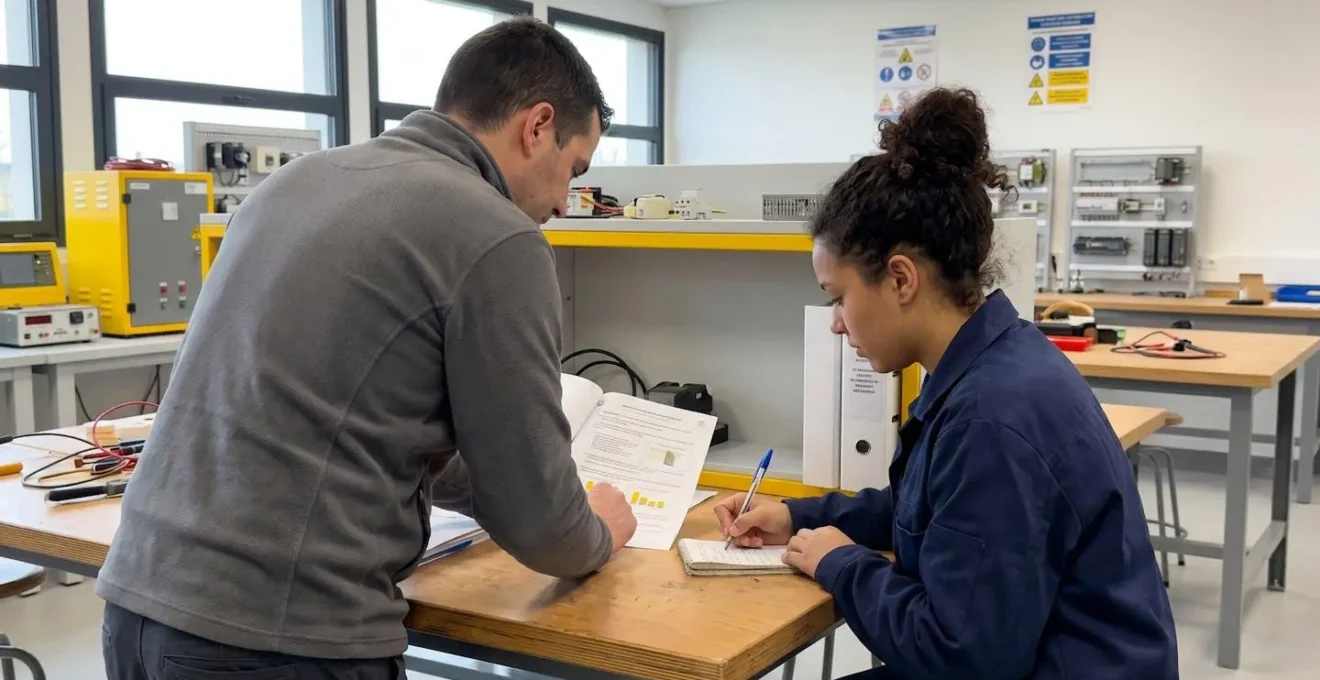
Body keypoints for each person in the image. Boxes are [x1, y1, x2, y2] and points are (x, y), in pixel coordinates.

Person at [98, 17, 637, 680]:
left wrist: (504, 483)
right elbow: (538, 523)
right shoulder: (497, 236)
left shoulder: (289, 186)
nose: (563, 201)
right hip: (281, 640)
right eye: (573, 170)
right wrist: (600, 531)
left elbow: (346, 420)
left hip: (136, 610)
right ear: (536, 126)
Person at [715, 88, 1179, 679]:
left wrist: (844, 565)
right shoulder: (990, 363)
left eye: (838, 298)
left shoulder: (993, 417)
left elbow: (959, 652)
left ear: (901, 278)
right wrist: (797, 516)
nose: (835, 324)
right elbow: (930, 516)